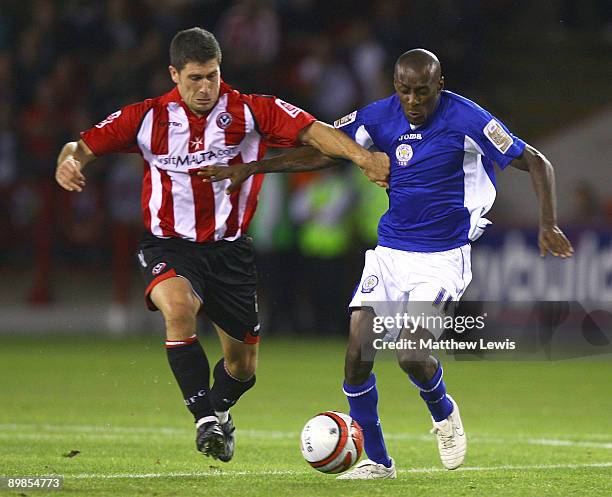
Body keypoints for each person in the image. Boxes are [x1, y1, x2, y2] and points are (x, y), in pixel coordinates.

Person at [198, 49, 574, 478]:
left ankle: (444, 411)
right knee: (357, 354)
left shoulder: (468, 119)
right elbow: (327, 151)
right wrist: (256, 166)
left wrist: (548, 223)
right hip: (391, 253)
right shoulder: (379, 116)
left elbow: (537, 162)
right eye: (404, 90)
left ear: (440, 84)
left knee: (412, 353)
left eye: (422, 92)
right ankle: (379, 462)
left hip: (442, 258)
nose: (412, 101)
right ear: (395, 86)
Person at [54, 27, 389, 463]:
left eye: (212, 76)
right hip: (168, 246)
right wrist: (68, 163)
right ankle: (205, 421)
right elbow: (79, 147)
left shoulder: (251, 111)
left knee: (242, 368)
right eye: (195, 78)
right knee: (178, 310)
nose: (205, 87)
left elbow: (313, 131)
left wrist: (363, 159)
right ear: (174, 74)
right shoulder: (146, 118)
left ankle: (220, 412)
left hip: (230, 252)